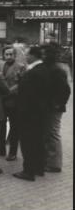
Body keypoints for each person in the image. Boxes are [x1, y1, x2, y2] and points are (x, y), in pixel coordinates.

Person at [13, 46, 50, 181]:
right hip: (41, 112)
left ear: (34, 56)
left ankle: (28, 171)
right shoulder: (45, 70)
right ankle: (39, 167)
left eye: (27, 55)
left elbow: (26, 94)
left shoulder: (32, 73)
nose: (25, 57)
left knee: (27, 142)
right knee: (38, 140)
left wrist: (20, 81)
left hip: (28, 113)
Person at [40, 43, 71, 173]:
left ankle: (54, 164)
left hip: (54, 107)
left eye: (43, 54)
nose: (41, 56)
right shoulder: (52, 68)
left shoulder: (57, 70)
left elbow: (65, 90)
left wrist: (57, 103)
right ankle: (50, 160)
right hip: (51, 106)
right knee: (49, 132)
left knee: (53, 133)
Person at [0, 46, 26, 161]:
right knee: (0, 125)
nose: (8, 57)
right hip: (1, 101)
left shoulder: (21, 67)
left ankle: (12, 152)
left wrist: (8, 92)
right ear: (3, 55)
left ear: (15, 55)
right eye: (6, 54)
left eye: (11, 54)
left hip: (14, 101)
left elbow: (22, 84)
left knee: (14, 128)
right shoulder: (0, 65)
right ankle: (1, 149)